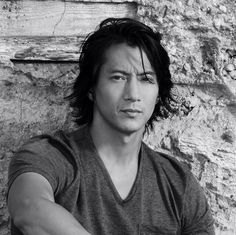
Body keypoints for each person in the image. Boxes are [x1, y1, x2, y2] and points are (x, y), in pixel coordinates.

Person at [7, 18, 215, 235]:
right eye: (118, 77)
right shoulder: (49, 156)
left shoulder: (179, 185)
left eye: (146, 79)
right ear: (91, 88)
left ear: (158, 94)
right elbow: (29, 210)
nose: (133, 94)